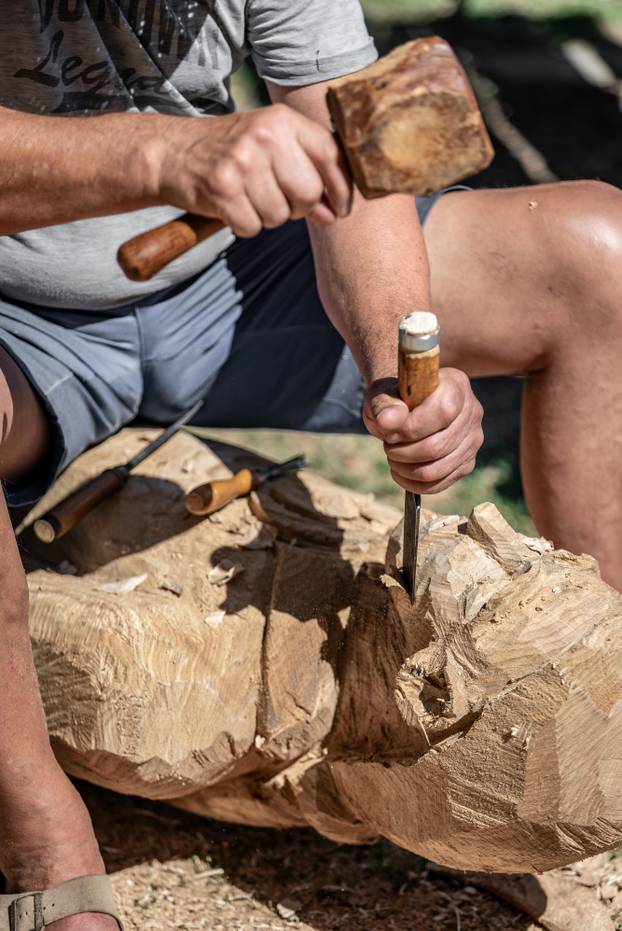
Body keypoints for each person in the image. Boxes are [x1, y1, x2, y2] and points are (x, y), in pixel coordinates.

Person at [1, 2, 621, 928]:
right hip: (20, 324)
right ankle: (42, 835)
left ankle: (604, 702)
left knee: (598, 257)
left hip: (226, 286)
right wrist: (166, 155)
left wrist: (399, 363)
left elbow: (356, 160)